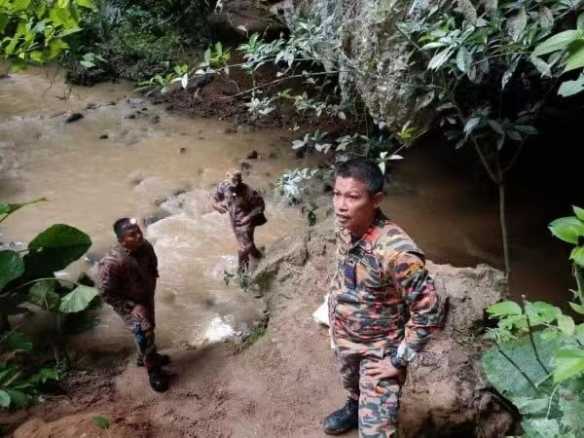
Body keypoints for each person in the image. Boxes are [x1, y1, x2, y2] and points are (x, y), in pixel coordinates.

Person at [324, 159, 445, 437]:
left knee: (376, 433)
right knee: (351, 381)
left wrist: (398, 360)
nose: (341, 205)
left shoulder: (397, 253)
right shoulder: (346, 226)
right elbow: (348, 267)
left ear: (376, 199)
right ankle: (354, 406)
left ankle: (369, 414)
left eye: (353, 197)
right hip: (345, 335)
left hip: (379, 350)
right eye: (336, 194)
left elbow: (429, 310)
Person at [97, 218, 170, 392]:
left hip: (145, 295)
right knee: (144, 331)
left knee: (150, 326)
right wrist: (130, 306)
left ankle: (142, 357)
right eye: (132, 235)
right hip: (128, 303)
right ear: (121, 240)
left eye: (139, 231)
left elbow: (153, 264)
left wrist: (150, 285)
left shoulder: (145, 247)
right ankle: (153, 370)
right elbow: (106, 293)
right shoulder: (112, 263)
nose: (139, 236)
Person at [212, 169, 266, 272]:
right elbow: (214, 199)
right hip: (234, 221)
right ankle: (259, 257)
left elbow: (260, 206)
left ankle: (242, 274)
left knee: (244, 247)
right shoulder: (223, 186)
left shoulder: (248, 191)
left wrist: (248, 217)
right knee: (249, 244)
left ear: (241, 180)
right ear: (227, 179)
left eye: (238, 181)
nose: (236, 184)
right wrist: (217, 206)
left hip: (247, 220)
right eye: (233, 180)